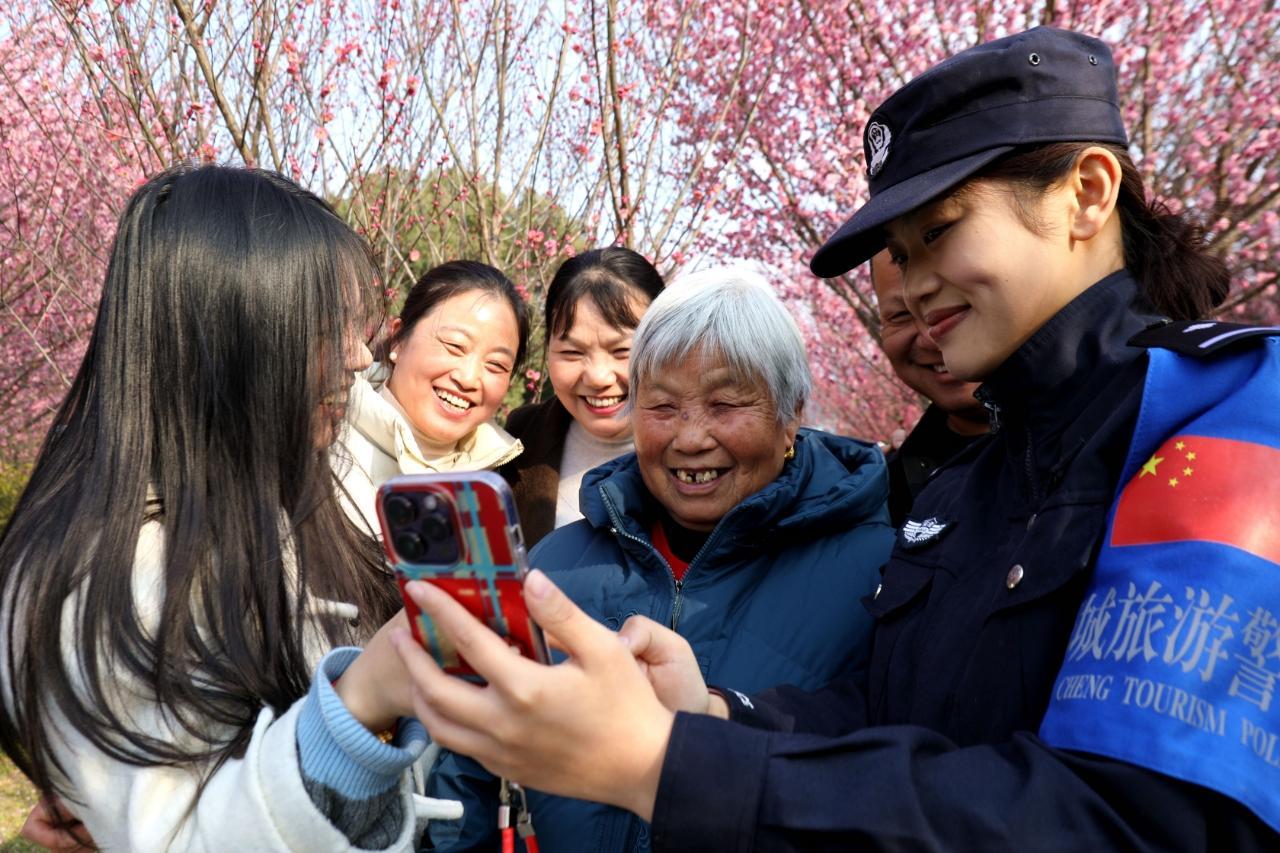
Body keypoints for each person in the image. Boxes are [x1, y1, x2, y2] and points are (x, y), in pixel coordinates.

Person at [385, 27, 1280, 849]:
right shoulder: (964, 485)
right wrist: (716, 712)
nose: (915, 284)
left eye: (940, 231)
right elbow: (892, 715)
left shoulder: (1220, 418)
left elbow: (1135, 818)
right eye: (902, 250)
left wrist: (669, 763)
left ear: (1087, 192)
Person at [0, 165, 454, 851]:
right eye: (326, 326)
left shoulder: (276, 518)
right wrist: (360, 701)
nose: (360, 357)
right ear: (226, 341)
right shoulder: (116, 578)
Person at [426, 267, 894, 850]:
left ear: (790, 412)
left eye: (726, 404)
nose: (690, 438)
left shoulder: (883, 579)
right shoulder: (555, 562)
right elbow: (468, 761)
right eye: (663, 406)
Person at [336, 261, 527, 536]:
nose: (469, 379)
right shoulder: (321, 445)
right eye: (454, 346)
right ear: (399, 339)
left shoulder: (498, 485)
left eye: (496, 365)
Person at [500, 247, 664, 547]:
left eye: (622, 351)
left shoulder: (703, 446)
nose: (598, 377)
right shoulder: (519, 440)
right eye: (572, 352)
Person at [869, 249, 987, 525]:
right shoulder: (888, 497)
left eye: (954, 304)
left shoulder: (1086, 431)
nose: (931, 336)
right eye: (901, 315)